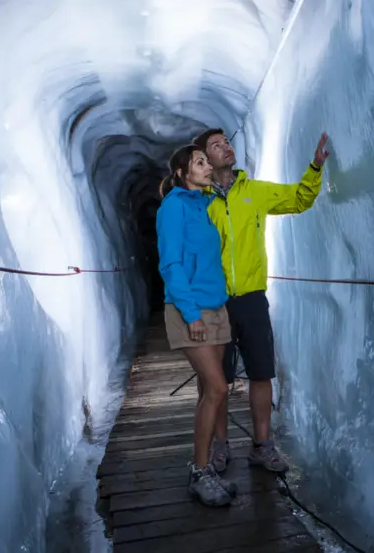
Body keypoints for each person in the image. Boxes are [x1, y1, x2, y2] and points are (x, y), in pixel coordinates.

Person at [192, 128, 330, 474]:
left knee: (261, 373)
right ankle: (220, 446)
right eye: (216, 145)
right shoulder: (198, 201)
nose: (226, 146)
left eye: (227, 141)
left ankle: (262, 446)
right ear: (204, 160)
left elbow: (299, 199)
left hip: (252, 298)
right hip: (213, 302)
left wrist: (314, 168)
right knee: (216, 381)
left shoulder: (254, 192)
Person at [156, 144, 238, 507]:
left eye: (207, 162)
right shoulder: (173, 207)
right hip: (190, 311)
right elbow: (171, 264)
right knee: (218, 389)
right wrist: (191, 315)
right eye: (199, 163)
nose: (207, 167)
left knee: (211, 390)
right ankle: (199, 472)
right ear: (181, 173)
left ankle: (205, 472)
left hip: (215, 307)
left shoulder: (204, 205)